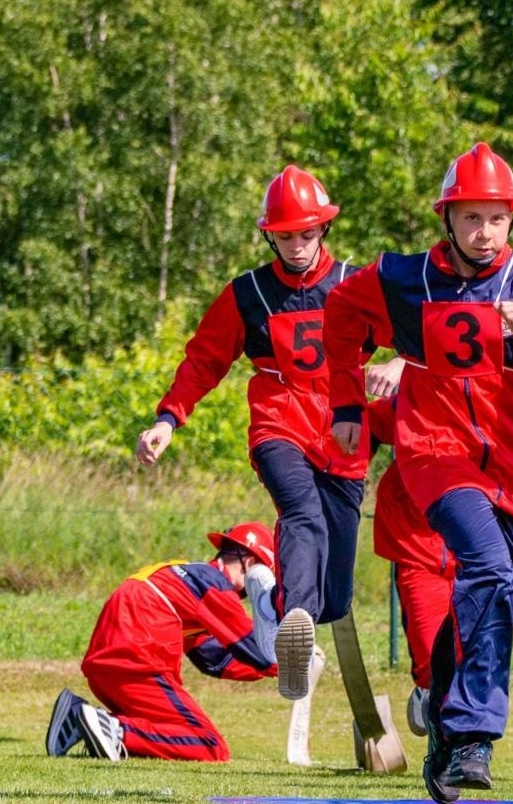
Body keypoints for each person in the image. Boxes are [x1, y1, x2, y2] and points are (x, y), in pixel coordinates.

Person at [323, 141, 513, 802]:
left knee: (481, 599)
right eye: (470, 218)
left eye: (496, 219)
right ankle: (478, 733)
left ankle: (449, 740)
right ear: (447, 219)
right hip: (433, 453)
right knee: (489, 569)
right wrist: (347, 401)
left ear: (511, 221)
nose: (483, 233)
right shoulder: (402, 278)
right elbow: (340, 316)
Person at [134, 166, 373, 703]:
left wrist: (402, 369)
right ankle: (295, 623)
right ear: (270, 234)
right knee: (300, 511)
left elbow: (415, 338)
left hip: (344, 438)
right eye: (284, 235)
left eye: (306, 234)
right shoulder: (247, 294)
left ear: (324, 229)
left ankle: (278, 612)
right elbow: (203, 361)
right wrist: (167, 420)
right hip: (278, 423)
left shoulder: (358, 287)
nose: (296, 246)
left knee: (336, 594)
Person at [46, 523, 281, 762]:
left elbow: (214, 659)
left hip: (107, 669)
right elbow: (252, 645)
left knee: (167, 731)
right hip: (138, 663)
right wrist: (292, 662)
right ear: (251, 565)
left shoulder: (189, 578)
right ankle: (114, 728)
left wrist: (277, 671)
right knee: (209, 744)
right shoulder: (213, 585)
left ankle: (76, 716)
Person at [365, 393, 456, 737]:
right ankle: (426, 688)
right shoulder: (417, 399)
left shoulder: (497, 399)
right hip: (416, 546)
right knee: (432, 657)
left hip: (475, 553)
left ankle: (454, 750)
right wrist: (348, 479)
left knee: (473, 656)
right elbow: (367, 424)